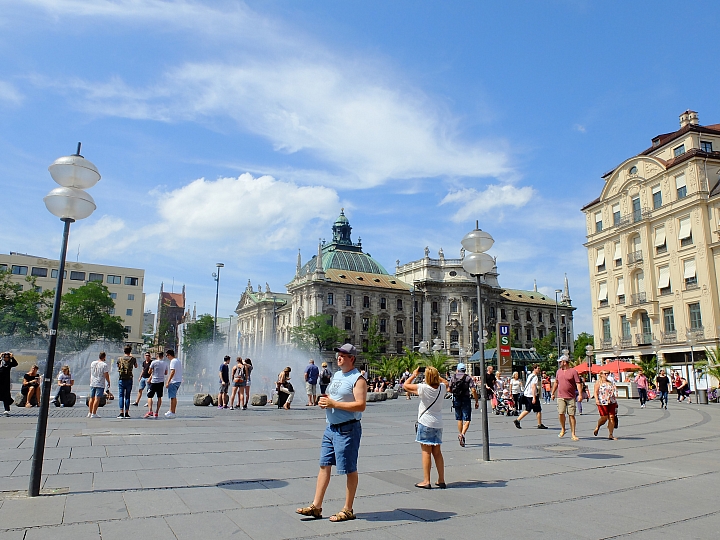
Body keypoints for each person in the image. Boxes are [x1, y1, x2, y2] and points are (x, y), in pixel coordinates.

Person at [296, 343, 367, 522]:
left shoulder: (358, 379)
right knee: (324, 465)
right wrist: (326, 401)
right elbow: (333, 396)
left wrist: (334, 404)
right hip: (331, 428)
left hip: (348, 429)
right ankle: (316, 506)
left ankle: (348, 509)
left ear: (352, 358)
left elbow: (360, 405)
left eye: (343, 355)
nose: (339, 357)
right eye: (338, 354)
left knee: (349, 469)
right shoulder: (336, 375)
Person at [403, 366, 448, 489]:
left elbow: (405, 385)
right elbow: (446, 382)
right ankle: (441, 479)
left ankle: (426, 480)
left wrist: (414, 375)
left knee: (426, 452)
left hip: (426, 422)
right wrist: (436, 376)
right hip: (438, 423)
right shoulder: (442, 388)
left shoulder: (423, 388)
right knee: (437, 452)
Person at [551, 355, 583, 441]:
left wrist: (580, 394)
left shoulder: (573, 371)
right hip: (560, 396)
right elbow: (556, 383)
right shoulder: (558, 372)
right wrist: (553, 393)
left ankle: (573, 434)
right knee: (561, 413)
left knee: (571, 415)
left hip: (571, 397)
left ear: (565, 362)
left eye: (560, 362)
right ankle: (563, 428)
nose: (559, 363)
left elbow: (578, 383)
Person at [448, 362, 479, 447]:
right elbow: (473, 390)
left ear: (457, 370)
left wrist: (455, 392)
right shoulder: (468, 378)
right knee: (467, 419)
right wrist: (476, 401)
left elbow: (449, 389)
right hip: (466, 399)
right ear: (465, 370)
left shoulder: (453, 377)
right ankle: (462, 434)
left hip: (456, 399)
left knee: (459, 418)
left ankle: (460, 433)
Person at [513, 364, 547, 429]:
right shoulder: (535, 377)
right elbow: (533, 387)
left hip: (527, 394)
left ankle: (518, 420)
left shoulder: (530, 376)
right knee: (538, 410)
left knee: (528, 409)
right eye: (538, 368)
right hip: (532, 395)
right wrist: (534, 397)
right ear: (534, 369)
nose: (539, 370)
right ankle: (539, 424)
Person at [593, 370, 618, 440]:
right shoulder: (598, 383)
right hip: (602, 402)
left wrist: (616, 402)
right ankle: (598, 426)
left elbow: (613, 392)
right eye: (605, 373)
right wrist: (596, 400)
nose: (607, 375)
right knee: (604, 417)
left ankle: (611, 434)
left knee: (612, 417)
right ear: (601, 374)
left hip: (611, 401)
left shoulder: (610, 383)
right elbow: (595, 392)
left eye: (608, 373)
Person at [144, 351, 167, 418]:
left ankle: (150, 410)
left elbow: (149, 372)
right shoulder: (165, 363)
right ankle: (156, 412)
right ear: (162, 356)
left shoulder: (154, 362)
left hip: (154, 381)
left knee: (150, 396)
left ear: (157, 356)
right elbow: (166, 373)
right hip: (161, 382)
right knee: (159, 397)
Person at [116, 346, 137, 419]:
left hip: (121, 379)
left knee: (121, 396)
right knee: (127, 396)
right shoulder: (133, 359)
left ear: (124, 351)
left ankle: (121, 413)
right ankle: (127, 413)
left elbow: (118, 367)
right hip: (129, 379)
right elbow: (136, 366)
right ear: (130, 351)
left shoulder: (120, 359)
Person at [89, 353, 110, 418]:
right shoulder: (104, 365)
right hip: (100, 383)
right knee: (97, 398)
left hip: (92, 382)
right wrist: (108, 381)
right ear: (104, 357)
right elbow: (106, 374)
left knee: (91, 397)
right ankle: (94, 413)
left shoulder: (93, 363)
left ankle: (90, 412)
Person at [165, 350, 182, 418]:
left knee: (172, 397)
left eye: (167, 355)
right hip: (178, 380)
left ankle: (172, 412)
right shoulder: (178, 360)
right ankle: (171, 410)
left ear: (169, 355)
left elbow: (172, 372)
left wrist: (168, 381)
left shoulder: (173, 361)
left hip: (174, 381)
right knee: (173, 396)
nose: (167, 357)